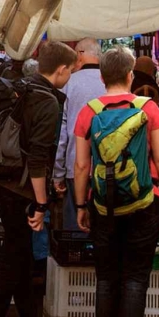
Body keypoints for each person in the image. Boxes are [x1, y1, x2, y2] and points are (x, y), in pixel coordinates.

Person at [73, 47, 159, 317]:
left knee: (106, 278)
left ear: (102, 77)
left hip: (103, 204)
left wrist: (80, 204)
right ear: (131, 75)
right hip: (145, 203)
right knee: (135, 278)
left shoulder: (88, 112)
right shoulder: (149, 109)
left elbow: (81, 165)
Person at [0, 41, 76, 317]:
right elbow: (37, 157)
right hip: (21, 188)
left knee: (18, 255)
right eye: (71, 70)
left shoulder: (24, 88)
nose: (70, 75)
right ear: (61, 70)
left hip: (4, 181)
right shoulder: (47, 102)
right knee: (14, 258)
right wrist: (41, 202)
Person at [53, 39, 106, 233]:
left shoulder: (68, 83)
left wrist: (57, 173)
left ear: (80, 55)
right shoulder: (111, 82)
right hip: (111, 167)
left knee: (76, 228)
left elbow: (61, 134)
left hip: (75, 166)